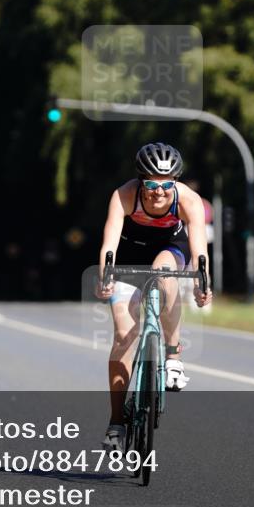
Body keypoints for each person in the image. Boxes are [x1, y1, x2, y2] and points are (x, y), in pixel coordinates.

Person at [95, 142, 213, 451]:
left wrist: (203, 282)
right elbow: (109, 243)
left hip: (169, 249)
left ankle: (173, 356)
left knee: (165, 273)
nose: (158, 191)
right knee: (123, 336)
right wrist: (105, 276)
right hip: (129, 255)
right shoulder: (124, 195)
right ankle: (117, 422)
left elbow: (199, 248)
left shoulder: (188, 200)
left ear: (175, 181)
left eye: (166, 184)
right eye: (150, 184)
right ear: (140, 180)